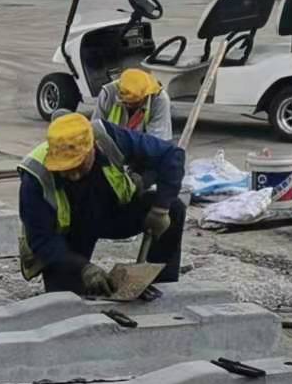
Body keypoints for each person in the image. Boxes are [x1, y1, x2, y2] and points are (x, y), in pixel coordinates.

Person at [16, 113, 186, 296]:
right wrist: (83, 268)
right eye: (65, 169)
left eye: (78, 166)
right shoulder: (35, 177)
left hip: (110, 213)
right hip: (69, 234)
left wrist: (160, 209)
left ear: (92, 149)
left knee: (174, 209)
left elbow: (172, 155)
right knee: (67, 301)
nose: (74, 175)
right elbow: (42, 241)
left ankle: (162, 287)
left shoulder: (109, 138)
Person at [88, 67, 172, 141]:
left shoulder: (159, 98)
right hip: (113, 144)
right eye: (125, 102)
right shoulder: (108, 93)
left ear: (145, 96)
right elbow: (96, 130)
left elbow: (158, 141)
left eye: (135, 103)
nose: (129, 106)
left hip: (143, 147)